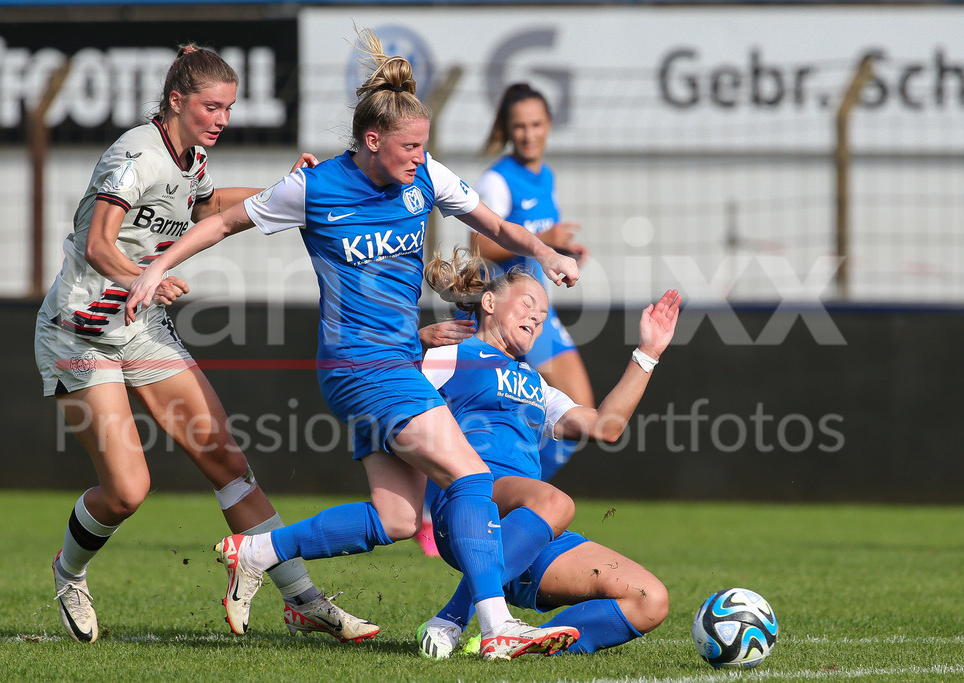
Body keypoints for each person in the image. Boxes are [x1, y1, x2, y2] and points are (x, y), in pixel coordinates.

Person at [124, 28, 582, 661]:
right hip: (361, 367)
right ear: (373, 142)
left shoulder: (426, 178)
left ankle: (255, 550)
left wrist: (544, 251)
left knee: (396, 519)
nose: (421, 158)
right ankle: (496, 625)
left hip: (394, 362)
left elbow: (493, 225)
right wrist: (153, 267)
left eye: (424, 147)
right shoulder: (316, 188)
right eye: (410, 147)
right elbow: (225, 221)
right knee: (472, 477)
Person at [35, 44, 376, 645]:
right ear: (176, 101)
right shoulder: (134, 153)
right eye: (211, 107)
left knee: (227, 463)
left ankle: (303, 599)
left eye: (229, 109)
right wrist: (150, 277)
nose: (222, 119)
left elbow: (205, 204)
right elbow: (97, 245)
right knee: (127, 491)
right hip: (79, 334)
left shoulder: (190, 156)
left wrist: (290, 188)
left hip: (139, 328)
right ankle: (70, 573)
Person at [415, 249, 678, 658]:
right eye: (527, 303)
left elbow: (606, 427)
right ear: (488, 303)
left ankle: (520, 642)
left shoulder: (536, 383)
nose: (537, 317)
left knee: (650, 600)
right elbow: (372, 373)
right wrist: (415, 342)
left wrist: (649, 353)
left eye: (543, 315)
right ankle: (453, 617)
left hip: (528, 527)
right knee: (555, 501)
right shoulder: (451, 353)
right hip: (469, 505)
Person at [470, 83, 595, 482]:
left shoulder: (545, 178)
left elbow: (539, 241)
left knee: (582, 414)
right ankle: (490, 494)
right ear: (507, 130)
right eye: (519, 126)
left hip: (539, 311)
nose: (528, 133)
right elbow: (478, 246)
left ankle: (507, 491)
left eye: (536, 124)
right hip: (508, 312)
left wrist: (563, 253)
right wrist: (545, 241)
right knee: (574, 415)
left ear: (549, 125)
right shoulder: (498, 180)